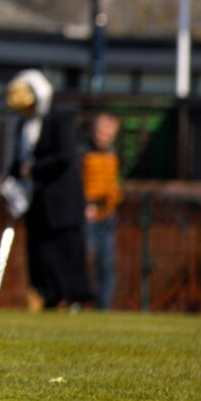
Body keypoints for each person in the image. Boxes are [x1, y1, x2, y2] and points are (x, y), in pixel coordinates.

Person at [2, 69, 89, 309]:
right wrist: (10, 180)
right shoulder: (24, 124)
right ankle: (47, 294)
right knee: (40, 252)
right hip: (36, 200)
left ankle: (72, 297)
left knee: (66, 250)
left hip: (61, 201)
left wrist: (35, 169)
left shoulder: (61, 119)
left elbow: (65, 157)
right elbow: (19, 160)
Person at [83, 111, 122, 310]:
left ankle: (103, 306)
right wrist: (85, 204)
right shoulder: (84, 152)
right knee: (86, 260)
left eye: (109, 132)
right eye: (101, 131)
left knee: (106, 263)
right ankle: (78, 302)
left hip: (108, 215)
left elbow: (112, 185)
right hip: (89, 214)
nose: (105, 136)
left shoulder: (112, 154)